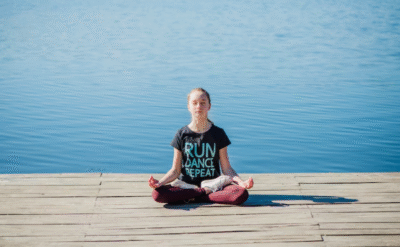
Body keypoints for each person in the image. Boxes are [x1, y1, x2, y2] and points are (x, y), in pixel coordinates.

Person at [149, 88, 254, 205]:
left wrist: (241, 183)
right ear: (188, 106)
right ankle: (203, 194)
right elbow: (175, 171)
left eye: (203, 103)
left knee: (240, 193)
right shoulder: (181, 134)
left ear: (209, 106)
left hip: (214, 183)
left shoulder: (218, 133)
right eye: (194, 103)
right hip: (186, 185)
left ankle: (194, 196)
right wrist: (160, 183)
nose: (198, 106)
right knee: (157, 194)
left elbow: (226, 168)